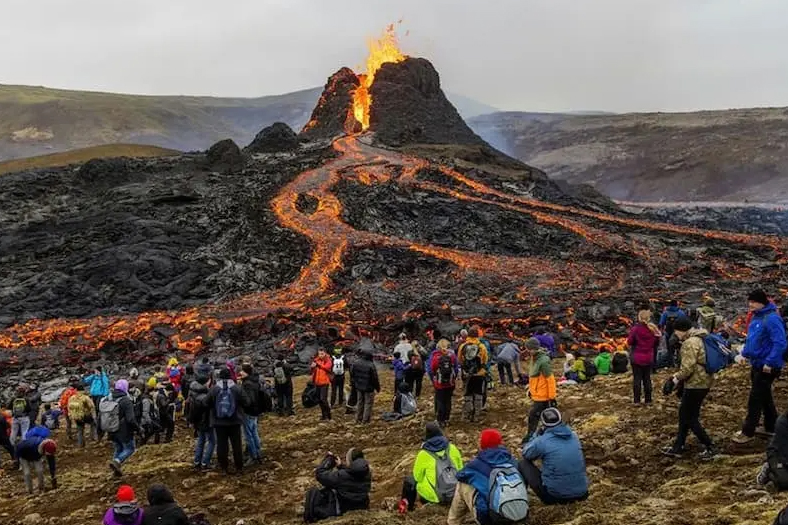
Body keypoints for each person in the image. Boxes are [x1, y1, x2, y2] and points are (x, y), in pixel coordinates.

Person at [733, 290, 788, 444]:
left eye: (753, 302)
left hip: (767, 366)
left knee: (755, 398)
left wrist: (770, 362)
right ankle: (772, 426)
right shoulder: (757, 316)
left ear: (761, 302)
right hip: (757, 363)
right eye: (749, 301)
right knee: (764, 396)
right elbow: (753, 340)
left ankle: (748, 432)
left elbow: (780, 342)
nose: (750, 305)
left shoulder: (772, 319)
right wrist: (745, 353)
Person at [662, 317, 717, 459]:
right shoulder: (701, 337)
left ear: (681, 330)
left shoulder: (689, 343)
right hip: (704, 381)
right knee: (685, 415)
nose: (676, 335)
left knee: (689, 417)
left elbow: (687, 369)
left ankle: (709, 445)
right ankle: (678, 445)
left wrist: (674, 379)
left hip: (695, 383)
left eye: (676, 331)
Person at [448, 429, 529, 525]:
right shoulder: (512, 461)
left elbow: (460, 475)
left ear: (482, 444)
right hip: (518, 513)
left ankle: (453, 521)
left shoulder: (475, 465)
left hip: (490, 519)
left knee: (463, 483)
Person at [519, 408, 589, 505]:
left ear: (543, 424)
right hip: (583, 494)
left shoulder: (542, 441)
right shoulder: (574, 436)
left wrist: (536, 436)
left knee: (523, 464)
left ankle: (521, 499)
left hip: (556, 497)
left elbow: (526, 454)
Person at [399, 422, 463, 513]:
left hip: (435, 498)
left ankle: (409, 509)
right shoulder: (453, 448)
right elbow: (461, 469)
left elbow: (417, 477)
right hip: (455, 494)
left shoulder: (424, 454)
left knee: (410, 481)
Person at [205, 367, 248, 474]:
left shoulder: (214, 389)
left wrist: (214, 408)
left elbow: (205, 402)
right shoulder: (237, 388)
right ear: (230, 376)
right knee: (236, 444)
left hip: (219, 421)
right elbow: (247, 402)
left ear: (219, 377)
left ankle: (224, 467)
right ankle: (239, 467)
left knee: (221, 445)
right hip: (235, 420)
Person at [308, 448, 371, 520]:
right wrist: (341, 466)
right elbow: (352, 474)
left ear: (350, 461)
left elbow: (320, 474)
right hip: (362, 506)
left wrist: (329, 459)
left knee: (314, 492)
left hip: (344, 510)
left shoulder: (341, 476)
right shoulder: (366, 473)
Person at [524, 337, 557, 443]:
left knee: (534, 416)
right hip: (537, 394)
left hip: (543, 396)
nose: (528, 351)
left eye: (529, 349)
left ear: (534, 348)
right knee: (540, 416)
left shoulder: (543, 361)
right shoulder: (534, 358)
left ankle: (531, 436)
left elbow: (550, 380)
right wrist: (530, 390)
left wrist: (552, 397)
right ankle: (537, 435)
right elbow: (534, 378)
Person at [106, 379, 139, 477]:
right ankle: (117, 461)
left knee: (118, 448)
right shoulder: (126, 401)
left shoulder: (108, 398)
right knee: (130, 448)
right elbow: (130, 419)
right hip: (124, 431)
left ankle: (115, 469)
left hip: (111, 428)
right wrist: (138, 428)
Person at [628, 309, 661, 404]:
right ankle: (648, 400)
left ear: (639, 318)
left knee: (637, 379)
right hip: (648, 357)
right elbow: (656, 343)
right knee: (647, 378)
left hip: (637, 357)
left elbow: (630, 341)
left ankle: (637, 401)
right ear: (649, 318)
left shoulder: (635, 329)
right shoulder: (653, 329)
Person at [458, 326, 489, 422]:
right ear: (477, 335)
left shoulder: (463, 346)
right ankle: (477, 415)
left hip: (467, 374)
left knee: (468, 394)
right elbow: (485, 360)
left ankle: (468, 414)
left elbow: (460, 360)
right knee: (479, 393)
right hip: (479, 374)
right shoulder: (481, 346)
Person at [15, 425, 57, 494]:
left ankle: (41, 488)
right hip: (24, 457)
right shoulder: (30, 444)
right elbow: (18, 447)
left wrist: (53, 476)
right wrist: (17, 460)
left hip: (36, 457)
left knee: (40, 471)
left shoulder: (50, 447)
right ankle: (30, 491)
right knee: (27, 473)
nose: (47, 455)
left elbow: (51, 462)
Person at [757, 406, 788, 491]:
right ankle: (769, 470)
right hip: (779, 456)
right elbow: (783, 452)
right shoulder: (783, 422)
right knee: (785, 481)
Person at [429, 339, 459, 427]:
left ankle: (440, 420)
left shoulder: (435, 357)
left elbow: (432, 369)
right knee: (448, 400)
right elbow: (456, 368)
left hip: (439, 383)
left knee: (440, 401)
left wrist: (434, 379)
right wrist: (454, 378)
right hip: (450, 383)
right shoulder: (452, 356)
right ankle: (446, 419)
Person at [187, 375, 214, 470]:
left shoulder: (193, 392)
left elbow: (191, 410)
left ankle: (197, 461)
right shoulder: (204, 396)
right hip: (206, 421)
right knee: (211, 441)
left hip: (198, 422)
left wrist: (191, 421)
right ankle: (205, 462)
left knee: (200, 440)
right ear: (206, 382)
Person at [239, 364, 263, 465]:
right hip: (255, 411)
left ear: (247, 373)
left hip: (248, 412)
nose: (240, 372)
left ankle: (253, 456)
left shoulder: (247, 384)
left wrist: (242, 403)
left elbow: (249, 400)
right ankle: (258, 452)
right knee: (254, 432)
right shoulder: (255, 381)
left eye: (242, 371)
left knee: (248, 435)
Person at [351, 350, 380, 424]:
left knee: (360, 402)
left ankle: (358, 418)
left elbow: (352, 374)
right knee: (368, 403)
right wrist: (377, 388)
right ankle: (365, 420)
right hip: (369, 388)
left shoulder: (356, 363)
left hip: (359, 386)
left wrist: (354, 384)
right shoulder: (371, 365)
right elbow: (375, 378)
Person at [84, 366, 110, 437]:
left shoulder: (103, 377)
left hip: (100, 395)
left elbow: (106, 386)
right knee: (94, 408)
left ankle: (99, 422)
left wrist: (105, 395)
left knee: (98, 409)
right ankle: (96, 421)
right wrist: (92, 375)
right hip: (93, 395)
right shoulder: (94, 377)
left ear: (99, 371)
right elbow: (86, 381)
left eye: (96, 371)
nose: (95, 372)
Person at [659, 301, 686, 366]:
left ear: (669, 305)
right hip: (679, 335)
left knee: (670, 350)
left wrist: (662, 332)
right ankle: (679, 363)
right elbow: (685, 323)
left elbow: (661, 323)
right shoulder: (681, 313)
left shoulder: (665, 313)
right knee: (680, 348)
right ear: (677, 305)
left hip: (668, 334)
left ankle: (671, 364)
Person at [311, 348, 333, 421]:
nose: (320, 355)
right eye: (319, 354)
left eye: (322, 354)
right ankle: (324, 415)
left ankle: (328, 414)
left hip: (324, 382)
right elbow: (313, 371)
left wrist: (318, 365)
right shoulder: (316, 360)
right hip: (317, 382)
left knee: (323, 399)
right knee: (319, 400)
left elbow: (327, 367)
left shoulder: (328, 360)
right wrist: (312, 367)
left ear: (325, 353)